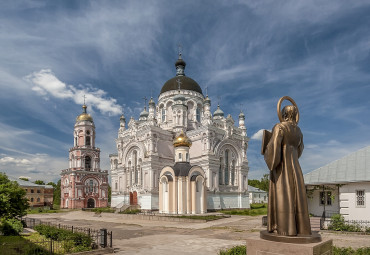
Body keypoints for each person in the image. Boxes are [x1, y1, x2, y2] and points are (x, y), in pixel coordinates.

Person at [262, 98, 311, 236]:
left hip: (282, 167)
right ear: (295, 115)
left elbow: (274, 148)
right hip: (296, 167)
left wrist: (266, 149)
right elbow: (300, 149)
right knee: (297, 196)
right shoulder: (298, 131)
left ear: (283, 114)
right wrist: (293, 157)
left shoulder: (280, 127)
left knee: (284, 195)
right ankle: (301, 229)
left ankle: (285, 229)